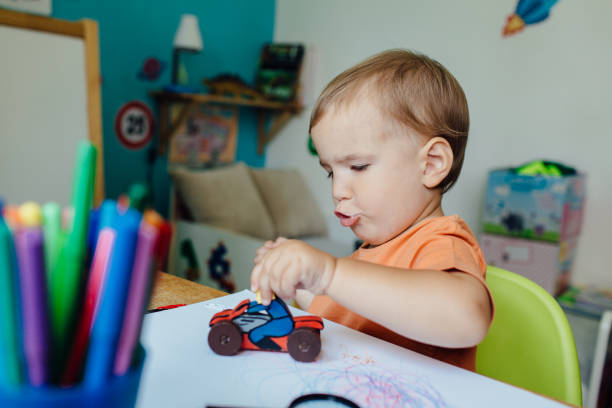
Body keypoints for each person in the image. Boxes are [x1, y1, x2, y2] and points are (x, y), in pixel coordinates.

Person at [250, 49, 494, 371]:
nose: (338, 190)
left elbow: (466, 317)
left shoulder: (440, 242)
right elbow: (348, 312)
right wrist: (301, 281)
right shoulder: (370, 252)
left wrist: (328, 274)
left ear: (431, 164)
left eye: (359, 166)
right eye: (330, 172)